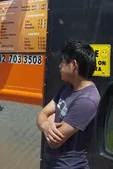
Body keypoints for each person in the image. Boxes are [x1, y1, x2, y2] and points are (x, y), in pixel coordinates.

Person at [37, 39, 101, 169]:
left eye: (63, 62)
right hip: (51, 163)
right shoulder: (67, 87)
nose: (60, 66)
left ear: (73, 65)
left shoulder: (87, 100)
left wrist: (49, 118)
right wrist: (46, 124)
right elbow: (42, 114)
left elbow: (55, 141)